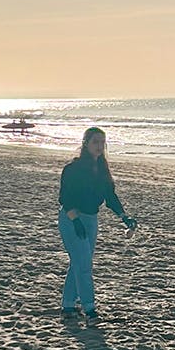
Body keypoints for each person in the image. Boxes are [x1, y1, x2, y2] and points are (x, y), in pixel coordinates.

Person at [58, 127, 137, 322]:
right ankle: (90, 309)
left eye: (102, 142)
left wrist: (124, 217)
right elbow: (65, 198)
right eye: (95, 142)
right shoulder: (72, 169)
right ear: (86, 143)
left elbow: (110, 196)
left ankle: (68, 305)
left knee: (78, 263)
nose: (99, 146)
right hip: (71, 218)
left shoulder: (102, 169)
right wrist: (75, 220)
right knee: (84, 265)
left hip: (91, 219)